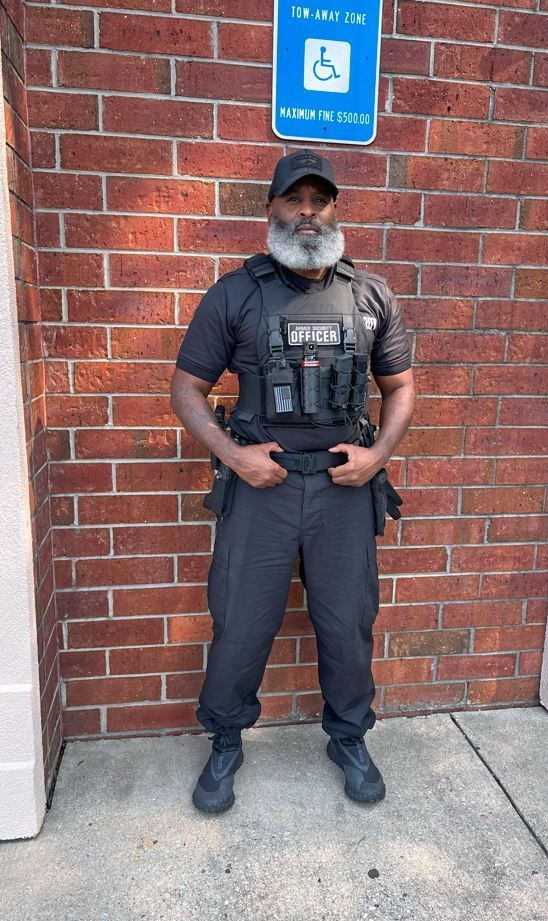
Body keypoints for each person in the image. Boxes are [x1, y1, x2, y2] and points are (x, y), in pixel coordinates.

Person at [170, 149, 415, 814]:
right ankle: (224, 738)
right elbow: (188, 389)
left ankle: (348, 738)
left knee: (346, 624)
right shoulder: (233, 293)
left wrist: (377, 456)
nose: (307, 213)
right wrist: (233, 455)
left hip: (344, 489)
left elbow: (399, 388)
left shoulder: (370, 295)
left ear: (334, 210)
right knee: (241, 624)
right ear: (270, 210)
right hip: (260, 491)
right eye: (294, 201)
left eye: (320, 202)